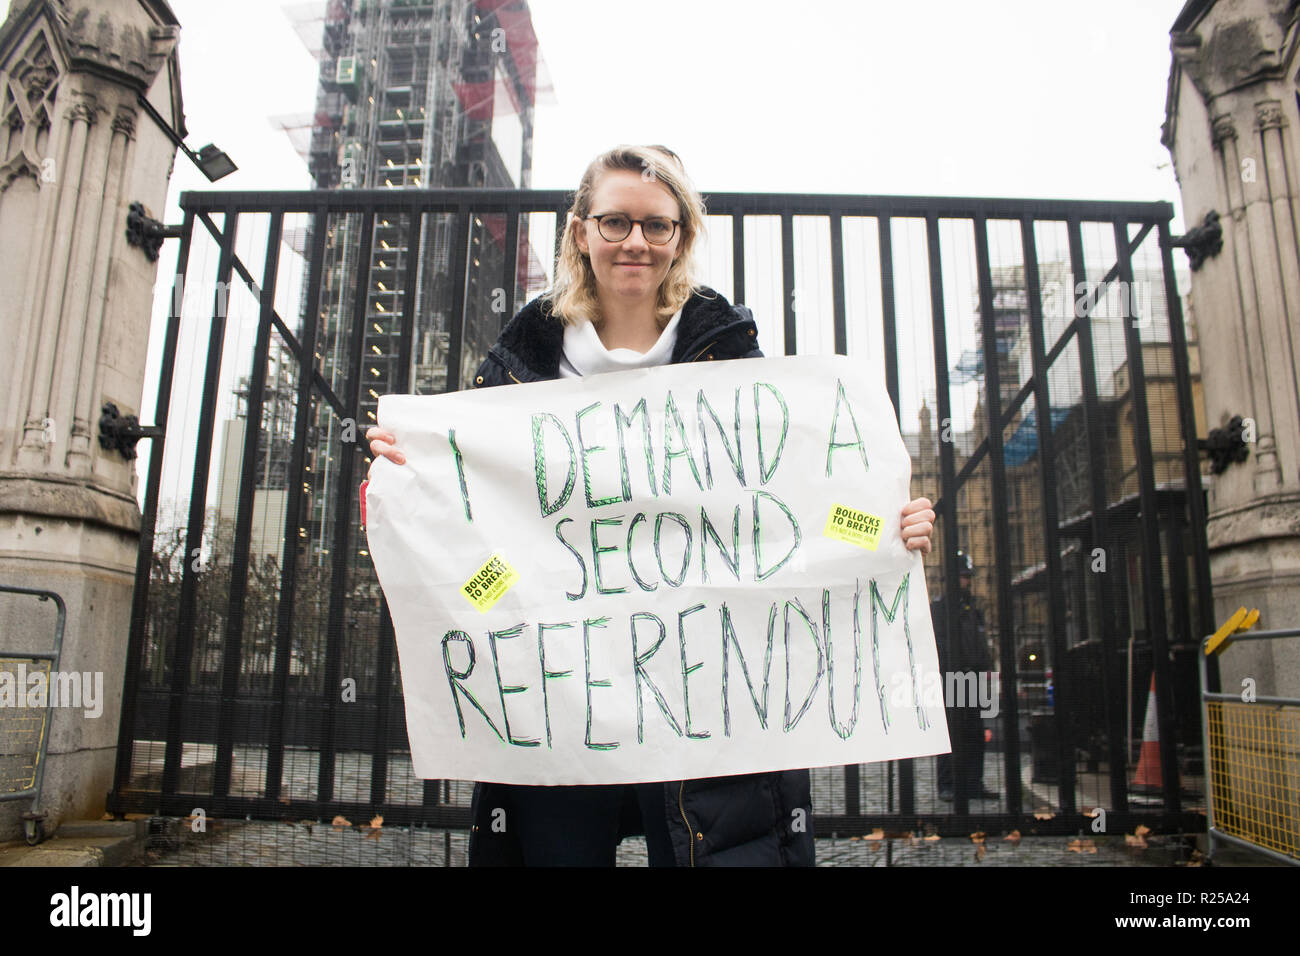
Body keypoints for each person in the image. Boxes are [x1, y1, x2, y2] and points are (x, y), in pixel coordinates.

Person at [366, 144, 936, 866]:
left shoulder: (739, 373)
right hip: (564, 706)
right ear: (581, 232)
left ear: (681, 237)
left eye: (657, 225)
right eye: (615, 222)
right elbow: (477, 551)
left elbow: (806, 513)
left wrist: (883, 527)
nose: (635, 241)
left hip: (709, 717)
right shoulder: (510, 382)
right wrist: (409, 493)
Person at [931, 550, 997, 803]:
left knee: (975, 734)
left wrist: (984, 667)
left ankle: (973, 783)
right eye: (962, 576)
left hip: (974, 679)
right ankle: (947, 784)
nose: (966, 581)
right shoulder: (939, 608)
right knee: (950, 735)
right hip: (952, 679)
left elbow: (980, 642)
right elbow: (937, 643)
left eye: (968, 576)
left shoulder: (973, 609)